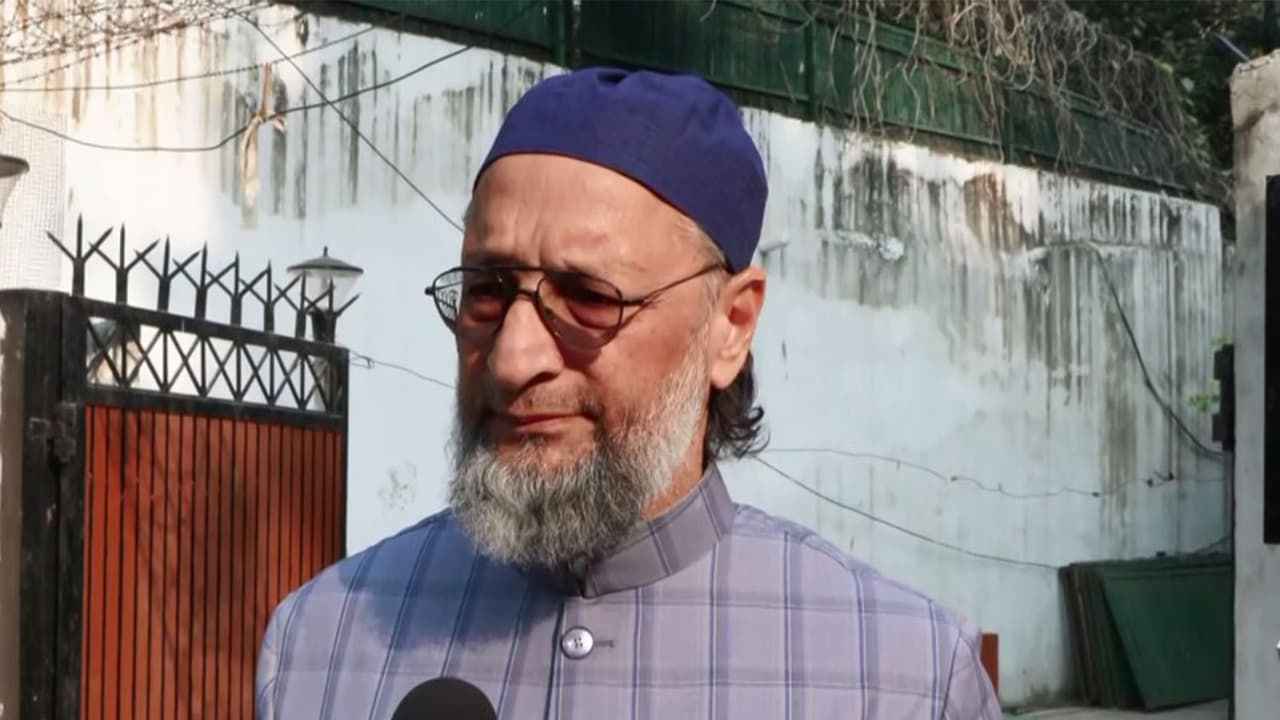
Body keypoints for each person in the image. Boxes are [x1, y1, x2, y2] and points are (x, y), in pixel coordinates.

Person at [256, 66, 1001, 719]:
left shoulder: (899, 678)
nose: (513, 359)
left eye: (588, 297)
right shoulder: (321, 644)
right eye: (487, 291)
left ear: (729, 326)